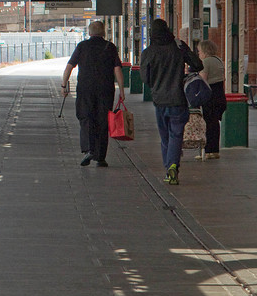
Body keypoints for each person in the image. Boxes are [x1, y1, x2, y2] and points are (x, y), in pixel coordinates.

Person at [140, 18, 203, 185]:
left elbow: (145, 79)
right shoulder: (178, 47)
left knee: (165, 136)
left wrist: (156, 82)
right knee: (176, 134)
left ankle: (169, 167)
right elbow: (198, 64)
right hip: (178, 99)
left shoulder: (148, 52)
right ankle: (173, 166)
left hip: (159, 100)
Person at [60, 21, 125, 167]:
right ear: (103, 33)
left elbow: (69, 67)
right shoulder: (110, 47)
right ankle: (101, 157)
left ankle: (89, 149)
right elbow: (117, 70)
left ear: (89, 33)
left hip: (85, 90)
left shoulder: (82, 46)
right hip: (105, 90)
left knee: (86, 118)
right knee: (103, 121)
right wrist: (121, 90)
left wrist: (64, 85)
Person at [196, 39, 226, 160]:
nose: (198, 53)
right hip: (220, 94)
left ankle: (207, 151)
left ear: (204, 51)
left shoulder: (206, 62)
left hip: (209, 95)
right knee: (215, 124)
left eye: (199, 51)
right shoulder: (219, 60)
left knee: (207, 123)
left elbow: (203, 79)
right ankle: (214, 151)